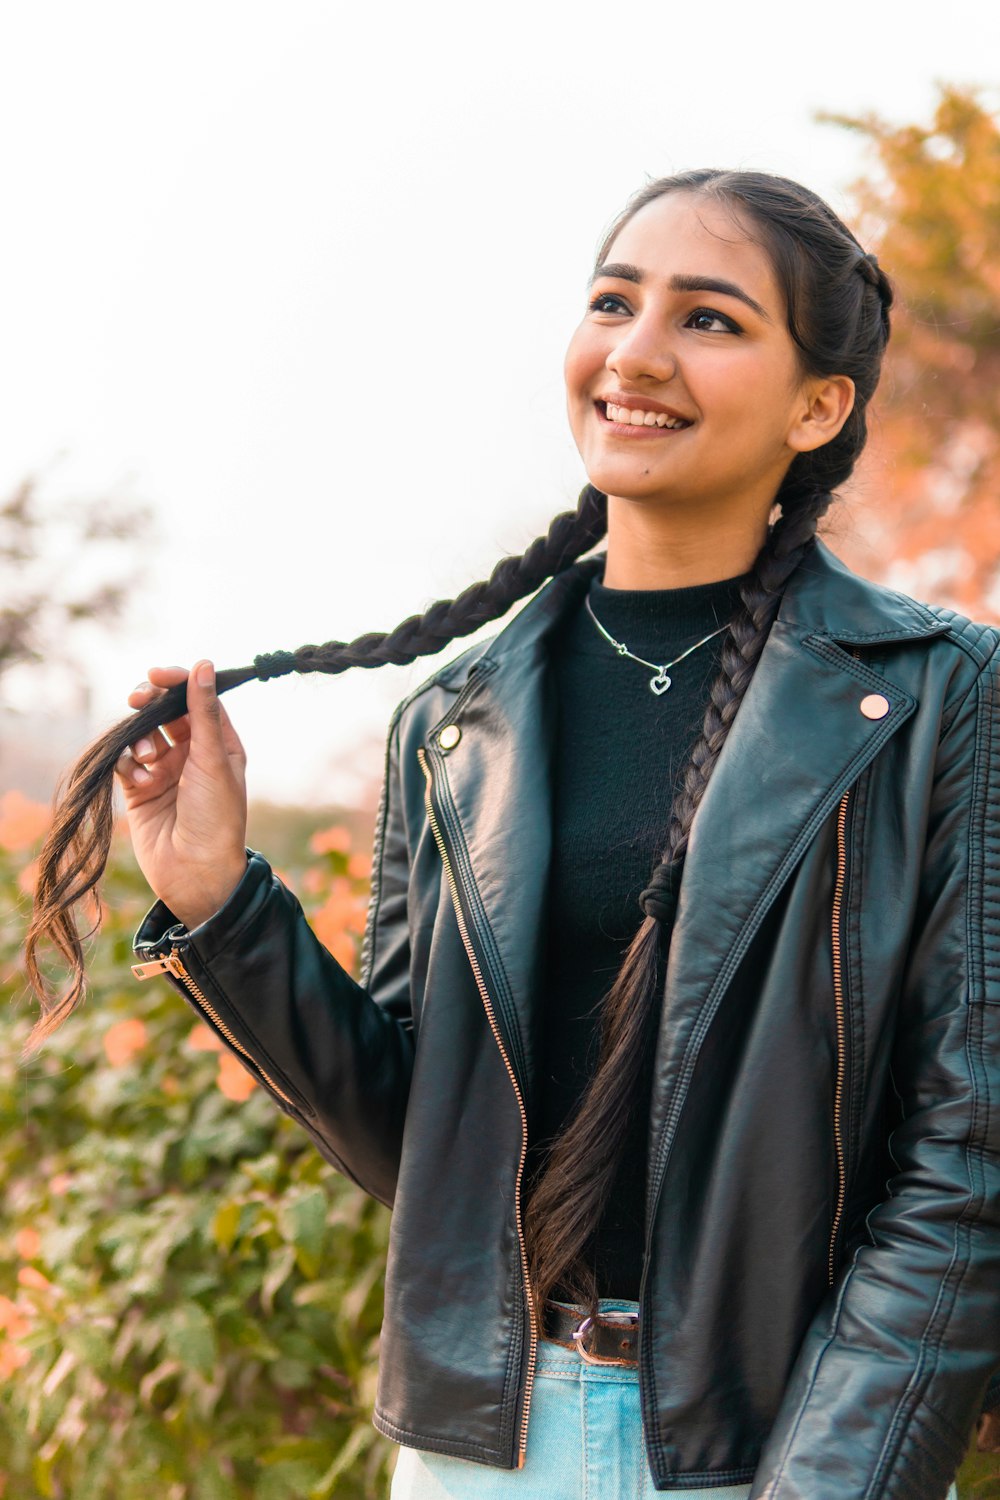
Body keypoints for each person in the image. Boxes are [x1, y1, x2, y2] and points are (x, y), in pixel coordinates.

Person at [26, 170, 999, 1499]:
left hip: (777, 1449)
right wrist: (220, 907)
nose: (637, 352)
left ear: (819, 405)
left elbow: (967, 1163)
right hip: (482, 1447)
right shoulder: (455, 719)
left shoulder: (938, 693)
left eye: (710, 320)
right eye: (614, 301)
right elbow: (431, 1153)